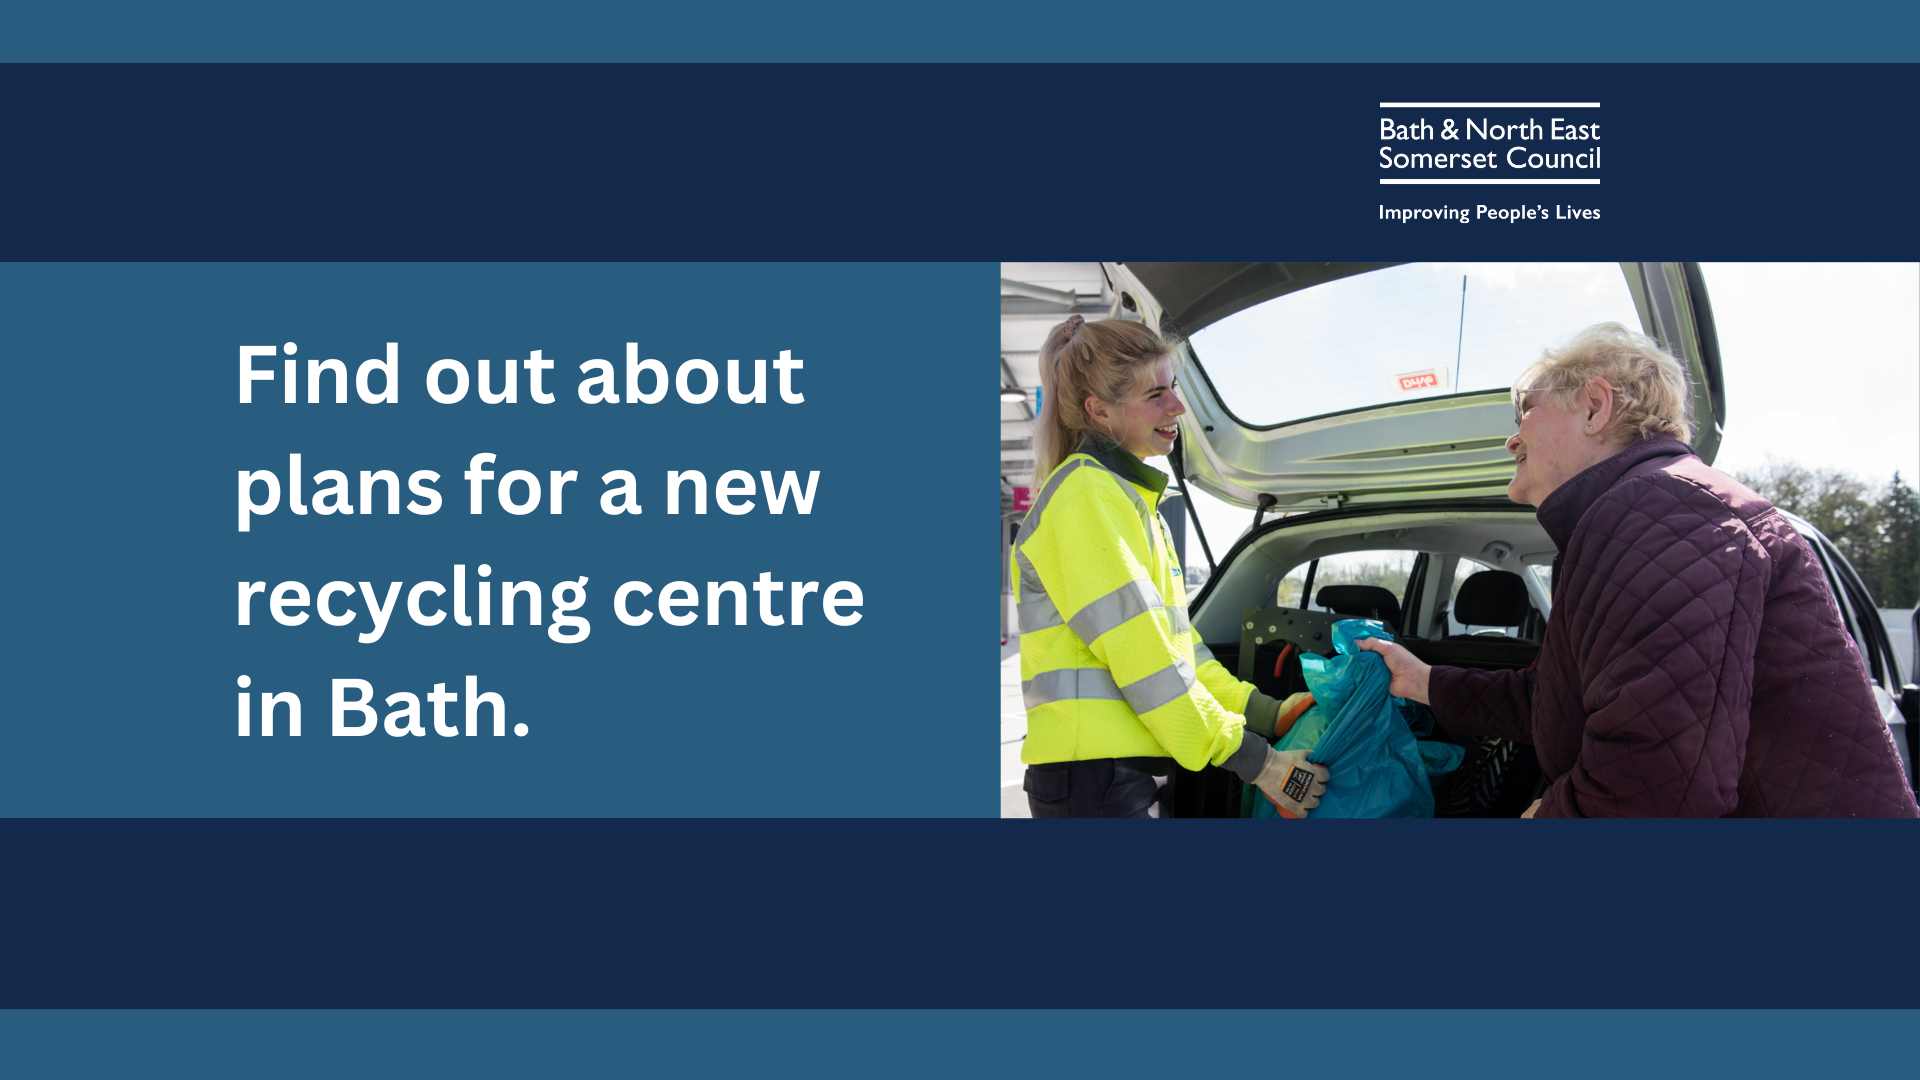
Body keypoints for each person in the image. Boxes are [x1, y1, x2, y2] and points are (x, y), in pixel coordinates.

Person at [1355, 323, 1918, 818]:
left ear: (1596, 407)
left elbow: (1656, 787)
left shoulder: (1663, 511)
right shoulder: (1646, 511)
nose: (1511, 438)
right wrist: (1421, 680)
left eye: (1526, 409)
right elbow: (1555, 701)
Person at [1014, 315, 1328, 817]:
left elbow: (1180, 651)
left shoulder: (1129, 502)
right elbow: (1146, 660)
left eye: (1174, 387)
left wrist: (1264, 711)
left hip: (1118, 771)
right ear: (1099, 411)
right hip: (1093, 776)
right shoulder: (1086, 496)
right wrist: (1260, 763)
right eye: (1155, 394)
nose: (1178, 407)